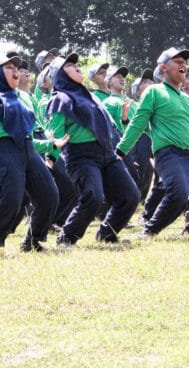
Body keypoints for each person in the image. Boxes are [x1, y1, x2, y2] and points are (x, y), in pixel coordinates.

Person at [116, 48, 189, 237]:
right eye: (177, 62)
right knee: (179, 194)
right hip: (170, 155)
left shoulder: (187, 99)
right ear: (163, 68)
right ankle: (149, 231)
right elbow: (138, 123)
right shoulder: (154, 91)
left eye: (184, 62)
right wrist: (121, 151)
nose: (183, 65)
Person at [0, 54, 59, 252]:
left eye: (16, 67)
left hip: (27, 149)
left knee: (49, 196)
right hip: (1, 151)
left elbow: (30, 133)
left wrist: (50, 144)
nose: (16, 71)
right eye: (9, 68)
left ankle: (32, 242)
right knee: (10, 200)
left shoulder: (24, 97)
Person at [47, 53, 139, 245]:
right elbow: (55, 136)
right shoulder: (60, 99)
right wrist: (50, 159)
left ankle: (107, 234)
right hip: (81, 156)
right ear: (59, 75)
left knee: (130, 196)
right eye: (69, 65)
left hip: (107, 153)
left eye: (76, 63)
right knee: (93, 197)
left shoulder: (89, 96)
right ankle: (67, 237)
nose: (76, 66)